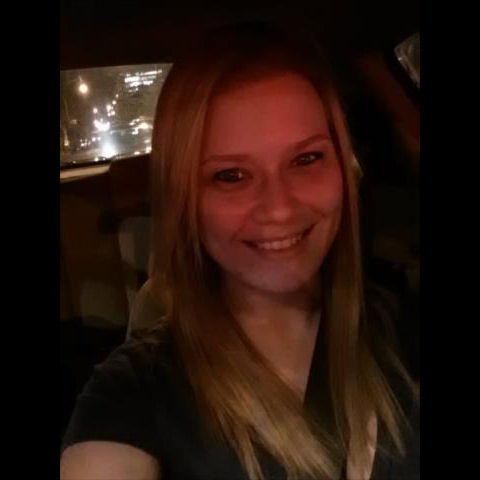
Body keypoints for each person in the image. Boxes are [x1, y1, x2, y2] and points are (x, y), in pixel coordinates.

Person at [60, 22, 419, 480]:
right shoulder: (136, 392)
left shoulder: (404, 322)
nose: (279, 208)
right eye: (230, 176)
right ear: (184, 199)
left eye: (306, 159)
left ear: (344, 168)